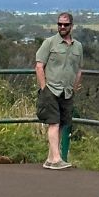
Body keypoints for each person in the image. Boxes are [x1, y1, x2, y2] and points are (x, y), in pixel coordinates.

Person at [35, 11, 83, 169]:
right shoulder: (49, 43)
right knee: (53, 123)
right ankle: (56, 159)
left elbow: (79, 70)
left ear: (71, 26)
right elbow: (39, 65)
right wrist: (44, 88)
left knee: (62, 124)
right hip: (51, 89)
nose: (62, 27)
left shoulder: (78, 46)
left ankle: (50, 158)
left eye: (65, 24)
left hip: (67, 91)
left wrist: (74, 88)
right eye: (59, 24)